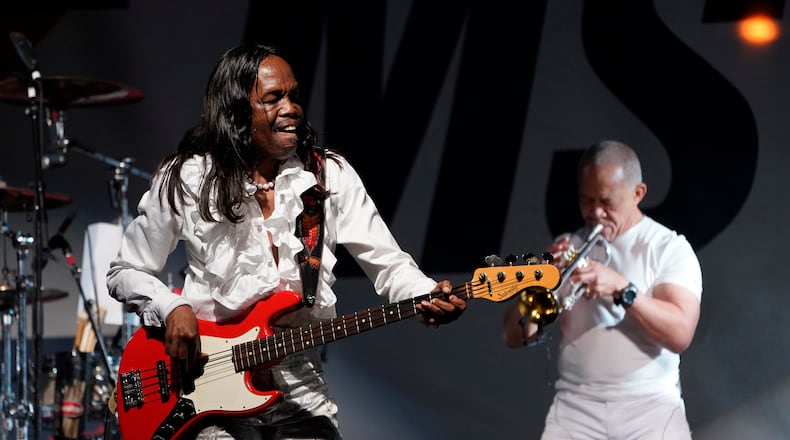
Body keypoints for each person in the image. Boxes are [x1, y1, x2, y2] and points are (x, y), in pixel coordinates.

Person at [106, 43, 467, 440]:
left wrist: (424, 294)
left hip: (299, 373)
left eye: (294, 96)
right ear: (237, 110)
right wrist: (171, 306)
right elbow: (126, 270)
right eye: (274, 98)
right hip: (203, 378)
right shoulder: (187, 179)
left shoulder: (327, 177)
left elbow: (389, 264)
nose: (291, 107)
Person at [503, 140, 702, 439]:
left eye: (607, 202)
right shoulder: (569, 246)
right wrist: (538, 282)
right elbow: (514, 335)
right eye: (586, 200)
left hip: (649, 407)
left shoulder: (667, 248)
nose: (595, 213)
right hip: (575, 407)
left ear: (638, 194)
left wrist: (622, 288)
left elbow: (680, 334)